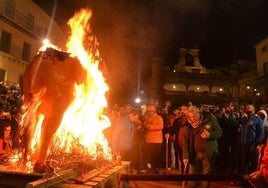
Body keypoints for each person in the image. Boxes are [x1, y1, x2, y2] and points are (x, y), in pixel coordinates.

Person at [183, 105, 222, 188]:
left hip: (208, 153)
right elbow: (185, 142)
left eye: (194, 116)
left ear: (198, 114)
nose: (193, 119)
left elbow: (219, 132)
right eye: (190, 117)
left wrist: (210, 135)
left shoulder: (209, 119)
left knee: (205, 177)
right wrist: (185, 156)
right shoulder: (187, 125)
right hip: (194, 154)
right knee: (192, 177)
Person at [240, 104, 265, 174]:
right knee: (244, 164)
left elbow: (261, 133)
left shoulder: (257, 119)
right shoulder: (244, 118)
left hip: (252, 145)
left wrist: (255, 144)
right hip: (244, 144)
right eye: (246, 107)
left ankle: (254, 182)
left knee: (254, 165)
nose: (247, 108)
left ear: (253, 109)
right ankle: (244, 180)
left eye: (249, 107)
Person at [143, 104, 164, 173]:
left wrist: (150, 127)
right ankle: (151, 168)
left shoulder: (159, 118)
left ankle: (156, 168)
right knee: (150, 156)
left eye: (151, 111)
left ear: (154, 111)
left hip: (157, 140)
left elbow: (161, 126)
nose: (149, 112)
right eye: (148, 111)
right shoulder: (147, 117)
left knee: (156, 156)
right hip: (148, 140)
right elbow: (145, 125)